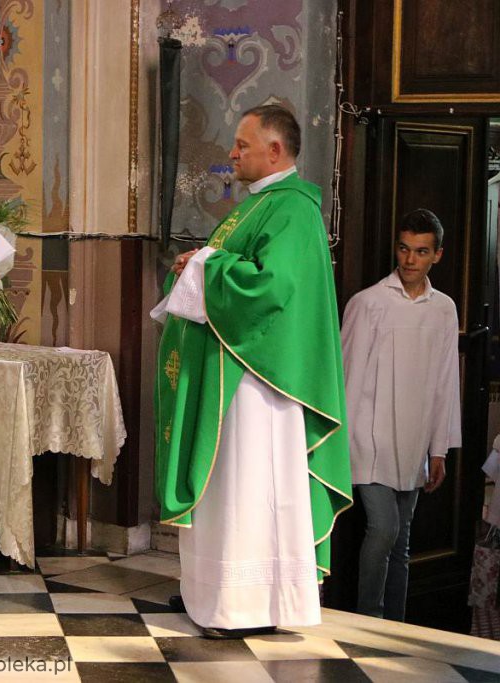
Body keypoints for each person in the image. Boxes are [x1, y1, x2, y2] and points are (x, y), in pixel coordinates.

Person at [152, 104, 352, 639]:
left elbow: (270, 287)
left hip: (259, 383)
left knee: (248, 485)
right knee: (226, 485)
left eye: (242, 145)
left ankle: (245, 605)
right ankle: (212, 592)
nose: (232, 153)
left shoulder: (293, 209)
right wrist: (200, 261)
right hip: (236, 373)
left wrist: (205, 264)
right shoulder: (260, 205)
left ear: (275, 150)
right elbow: (234, 269)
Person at [341, 208, 461, 622]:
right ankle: (368, 619)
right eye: (404, 249)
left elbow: (446, 381)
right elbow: (348, 375)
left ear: (437, 255)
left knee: (402, 539)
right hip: (368, 438)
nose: (410, 260)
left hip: (413, 439)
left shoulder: (444, 309)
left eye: (421, 251)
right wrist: (341, 442)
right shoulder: (368, 303)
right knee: (384, 528)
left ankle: (396, 625)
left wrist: (438, 449)